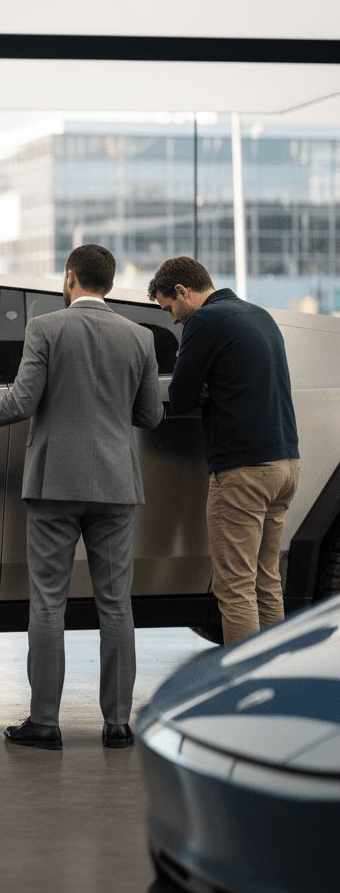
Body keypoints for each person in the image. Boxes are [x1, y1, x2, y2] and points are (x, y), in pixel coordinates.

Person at [0, 244, 163, 750]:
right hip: (117, 487)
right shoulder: (139, 337)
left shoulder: (47, 329)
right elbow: (150, 417)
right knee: (117, 605)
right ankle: (118, 724)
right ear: (111, 284)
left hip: (55, 484)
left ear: (70, 278)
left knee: (49, 604)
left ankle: (46, 722)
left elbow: (21, 401)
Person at [148, 256, 300, 646]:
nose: (174, 320)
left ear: (183, 292)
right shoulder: (259, 315)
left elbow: (180, 397)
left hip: (243, 471)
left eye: (170, 308)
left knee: (235, 590)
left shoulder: (205, 321)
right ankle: (272, 682)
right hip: (284, 464)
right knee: (267, 583)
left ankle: (241, 698)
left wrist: (199, 387)